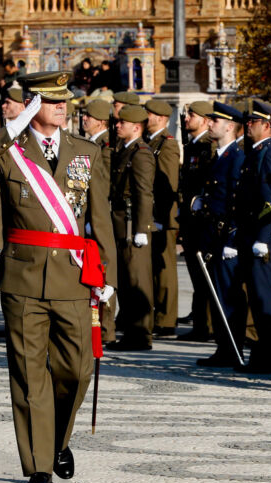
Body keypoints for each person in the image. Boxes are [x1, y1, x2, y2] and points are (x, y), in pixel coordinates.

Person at [0, 71, 116, 483]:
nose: (63, 106)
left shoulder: (86, 152)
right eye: (52, 100)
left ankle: (57, 441)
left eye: (65, 100)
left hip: (74, 277)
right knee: (29, 376)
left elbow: (100, 220)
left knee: (76, 372)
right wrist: (11, 128)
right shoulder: (9, 151)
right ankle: (38, 467)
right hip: (22, 278)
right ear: (32, 105)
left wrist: (109, 282)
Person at [234, 100, 271, 373]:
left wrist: (264, 236)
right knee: (257, 296)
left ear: (267, 126)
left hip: (262, 238)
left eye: (252, 122)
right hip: (250, 234)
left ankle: (270, 356)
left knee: (266, 298)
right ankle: (262, 354)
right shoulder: (255, 152)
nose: (247, 126)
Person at [194, 102, 247, 367]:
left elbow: (238, 201)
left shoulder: (236, 157)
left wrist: (233, 239)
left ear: (229, 126)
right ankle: (223, 347)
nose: (210, 124)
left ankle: (232, 348)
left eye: (215, 121)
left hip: (226, 238)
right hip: (212, 236)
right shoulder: (218, 156)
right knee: (217, 295)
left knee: (229, 296)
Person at [106, 104, 156, 351]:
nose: (117, 126)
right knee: (126, 280)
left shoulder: (141, 153)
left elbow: (143, 193)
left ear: (136, 127)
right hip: (120, 225)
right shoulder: (125, 150)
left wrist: (141, 229)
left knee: (137, 281)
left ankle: (141, 334)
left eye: (121, 123)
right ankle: (131, 332)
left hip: (130, 225)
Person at [177, 101, 216, 343]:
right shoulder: (193, 146)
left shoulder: (206, 147)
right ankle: (201, 324)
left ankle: (208, 325)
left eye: (192, 114)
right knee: (195, 274)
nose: (187, 118)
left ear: (203, 119)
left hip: (202, 220)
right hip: (191, 220)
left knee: (204, 274)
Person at [144, 99, 180, 337]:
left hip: (163, 217)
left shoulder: (166, 145)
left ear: (160, 117)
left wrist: (163, 217)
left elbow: (168, 184)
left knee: (165, 271)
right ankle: (158, 315)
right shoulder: (151, 142)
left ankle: (166, 319)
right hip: (154, 215)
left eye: (148, 114)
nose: (144, 117)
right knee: (154, 269)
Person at [83, 99, 116, 344]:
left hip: (100, 215)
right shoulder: (93, 144)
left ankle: (106, 329)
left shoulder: (104, 147)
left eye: (89, 116)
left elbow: (102, 187)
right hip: (91, 215)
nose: (84, 119)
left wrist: (94, 217)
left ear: (101, 122)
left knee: (103, 270)